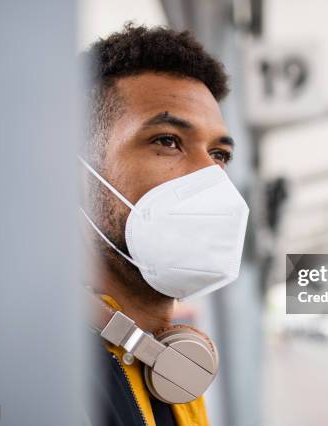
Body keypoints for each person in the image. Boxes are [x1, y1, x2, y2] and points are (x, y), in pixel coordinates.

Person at [80, 23, 249, 426]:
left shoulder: (168, 364)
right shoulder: (37, 373)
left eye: (219, 154)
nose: (210, 177)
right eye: (168, 140)